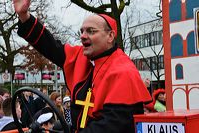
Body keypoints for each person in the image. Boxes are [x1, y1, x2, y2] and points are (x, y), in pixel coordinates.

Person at [13, 1, 152, 132]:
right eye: (82, 31)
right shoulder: (82, 57)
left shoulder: (123, 71)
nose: (83, 36)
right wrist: (24, 16)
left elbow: (114, 124)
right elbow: (50, 46)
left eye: (91, 31)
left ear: (110, 36)